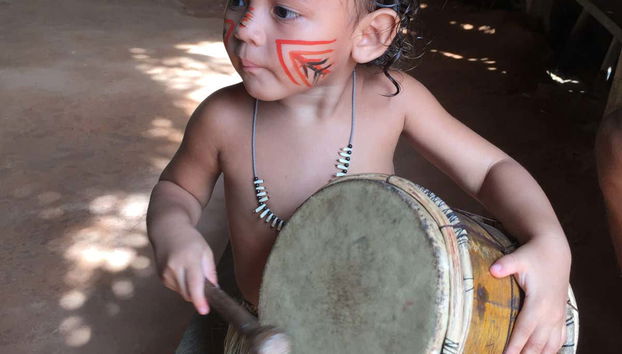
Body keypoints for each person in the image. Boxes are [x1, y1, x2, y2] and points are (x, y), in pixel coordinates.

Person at [147, 0, 572, 353]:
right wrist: (172, 230)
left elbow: (491, 170)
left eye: (282, 11)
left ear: (368, 36)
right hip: (262, 330)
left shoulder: (392, 100)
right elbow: (177, 189)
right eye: (240, 0)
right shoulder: (222, 118)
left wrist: (549, 240)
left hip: (376, 331)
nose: (245, 28)